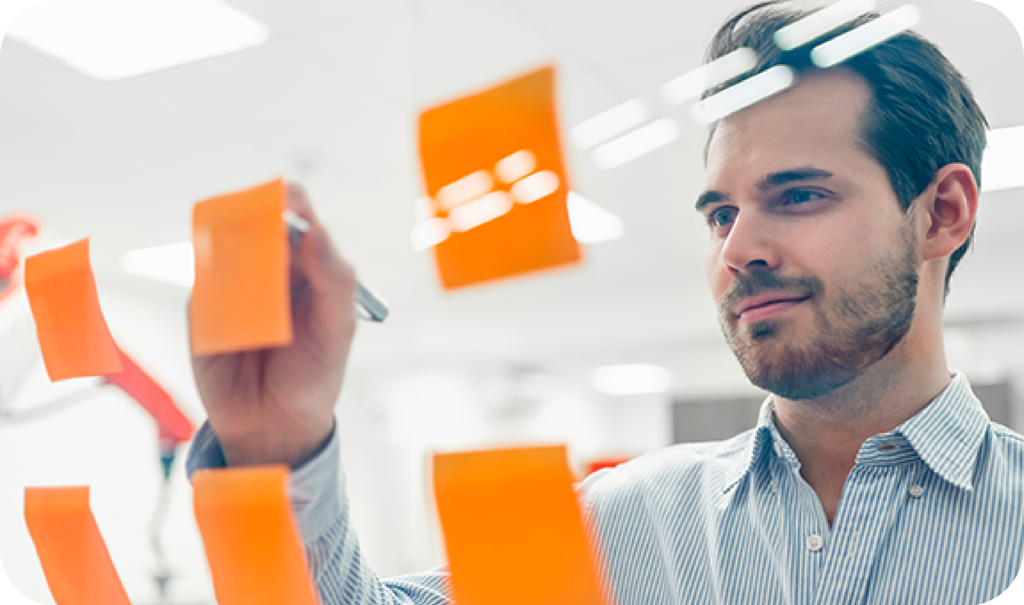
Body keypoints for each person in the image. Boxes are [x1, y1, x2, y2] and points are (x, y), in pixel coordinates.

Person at [187, 1, 1024, 603]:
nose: (737, 250)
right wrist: (276, 450)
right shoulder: (625, 518)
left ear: (942, 212)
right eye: (721, 213)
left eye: (798, 195)